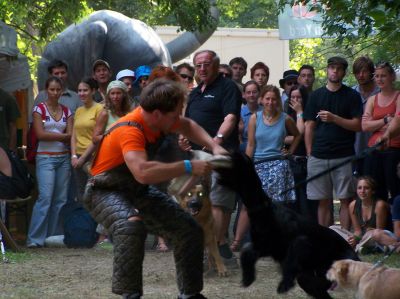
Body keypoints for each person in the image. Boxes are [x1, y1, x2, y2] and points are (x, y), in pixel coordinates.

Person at [84, 78, 226, 299]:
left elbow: (188, 126)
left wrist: (215, 146)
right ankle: (130, 295)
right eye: (176, 113)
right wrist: (188, 166)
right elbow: (143, 171)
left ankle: (190, 294)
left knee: (189, 229)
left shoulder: (161, 120)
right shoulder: (130, 130)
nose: (178, 118)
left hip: (135, 190)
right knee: (131, 225)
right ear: (158, 114)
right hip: (103, 190)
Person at [183, 49, 242, 262]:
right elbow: (187, 122)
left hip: (221, 153)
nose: (202, 68)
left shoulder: (228, 87)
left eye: (206, 64)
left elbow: (230, 119)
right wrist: (183, 138)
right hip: (196, 155)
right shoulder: (195, 92)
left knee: (220, 202)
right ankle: (219, 244)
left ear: (215, 65)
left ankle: (215, 247)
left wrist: (215, 141)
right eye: (198, 65)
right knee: (197, 202)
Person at [304, 56, 362, 230]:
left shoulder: (352, 95)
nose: (335, 71)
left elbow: (358, 125)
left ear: (344, 72)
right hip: (318, 156)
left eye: (338, 68)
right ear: (327, 70)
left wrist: (334, 118)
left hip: (343, 155)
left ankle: (344, 236)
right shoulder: (316, 96)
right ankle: (325, 238)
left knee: (346, 199)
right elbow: (309, 126)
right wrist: (309, 153)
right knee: (323, 201)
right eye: (332, 67)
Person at [27, 76, 73, 248]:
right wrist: (64, 136)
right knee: (45, 198)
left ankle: (52, 238)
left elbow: (71, 136)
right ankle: (34, 239)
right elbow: (40, 135)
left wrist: (63, 137)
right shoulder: (39, 109)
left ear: (62, 90)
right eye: (52, 89)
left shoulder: (67, 111)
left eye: (58, 89)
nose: (55, 93)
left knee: (60, 199)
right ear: (46, 90)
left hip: (63, 158)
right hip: (45, 157)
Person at [246, 85, 300, 205]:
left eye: (274, 99)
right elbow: (250, 145)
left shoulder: (285, 119)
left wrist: (290, 151)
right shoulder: (254, 118)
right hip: (258, 163)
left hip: (278, 162)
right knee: (255, 203)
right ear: (261, 99)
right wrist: (246, 166)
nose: (270, 102)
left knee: (276, 205)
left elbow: (298, 135)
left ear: (278, 101)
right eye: (267, 98)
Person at [361, 62, 400, 202]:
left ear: (392, 77)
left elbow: (398, 120)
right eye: (376, 76)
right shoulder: (372, 99)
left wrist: (384, 132)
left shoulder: (398, 96)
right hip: (373, 149)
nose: (379, 79)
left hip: (394, 148)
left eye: (383, 75)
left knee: (395, 189)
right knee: (374, 190)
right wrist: (384, 121)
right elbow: (364, 126)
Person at [330, 176, 392, 253]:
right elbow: (357, 231)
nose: (362, 191)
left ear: (373, 191)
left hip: (377, 237)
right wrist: (355, 238)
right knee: (333, 228)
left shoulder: (379, 205)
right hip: (362, 237)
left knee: (372, 234)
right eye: (359, 188)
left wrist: (359, 238)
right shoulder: (353, 205)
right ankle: (358, 247)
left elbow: (380, 230)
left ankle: (357, 247)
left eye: (366, 188)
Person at [71, 78, 103, 201]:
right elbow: (74, 134)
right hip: (78, 157)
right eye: (79, 90)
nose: (82, 93)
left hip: (93, 157)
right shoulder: (79, 110)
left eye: (85, 90)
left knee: (94, 193)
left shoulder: (99, 109)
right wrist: (74, 156)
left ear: (93, 91)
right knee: (81, 193)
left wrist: (83, 158)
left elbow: (98, 137)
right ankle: (84, 220)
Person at [352, 56, 380, 176]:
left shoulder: (381, 92)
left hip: (378, 148)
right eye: (357, 72)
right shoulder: (351, 93)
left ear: (371, 72)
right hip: (355, 149)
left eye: (364, 71)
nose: (361, 75)